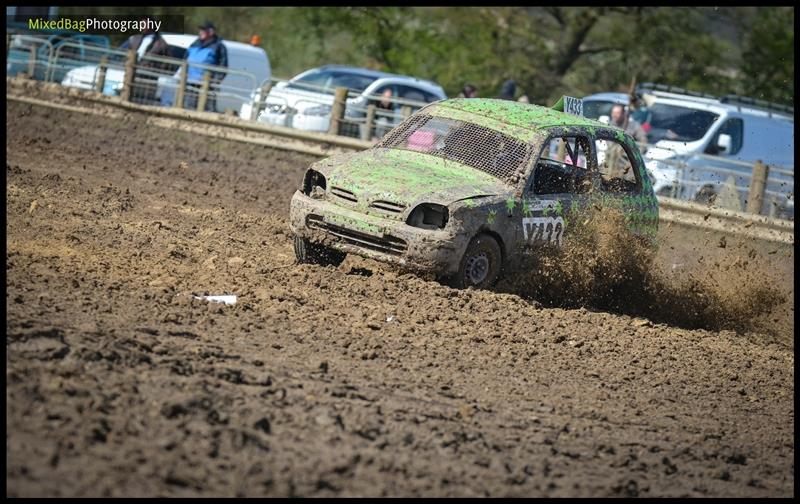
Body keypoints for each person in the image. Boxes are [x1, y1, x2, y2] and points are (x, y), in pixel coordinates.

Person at [118, 20, 170, 104]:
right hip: (132, 74)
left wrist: (154, 68)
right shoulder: (135, 38)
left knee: (143, 102)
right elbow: (123, 52)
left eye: (143, 24)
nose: (141, 26)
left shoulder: (161, 43)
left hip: (148, 79)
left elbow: (167, 61)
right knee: (128, 97)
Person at [184, 21, 228, 112]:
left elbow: (223, 66)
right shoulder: (195, 43)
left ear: (211, 32)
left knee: (207, 109)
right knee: (189, 108)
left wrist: (215, 80)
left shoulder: (219, 46)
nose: (201, 32)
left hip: (208, 85)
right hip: (191, 82)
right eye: (201, 30)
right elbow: (185, 60)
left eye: (204, 30)